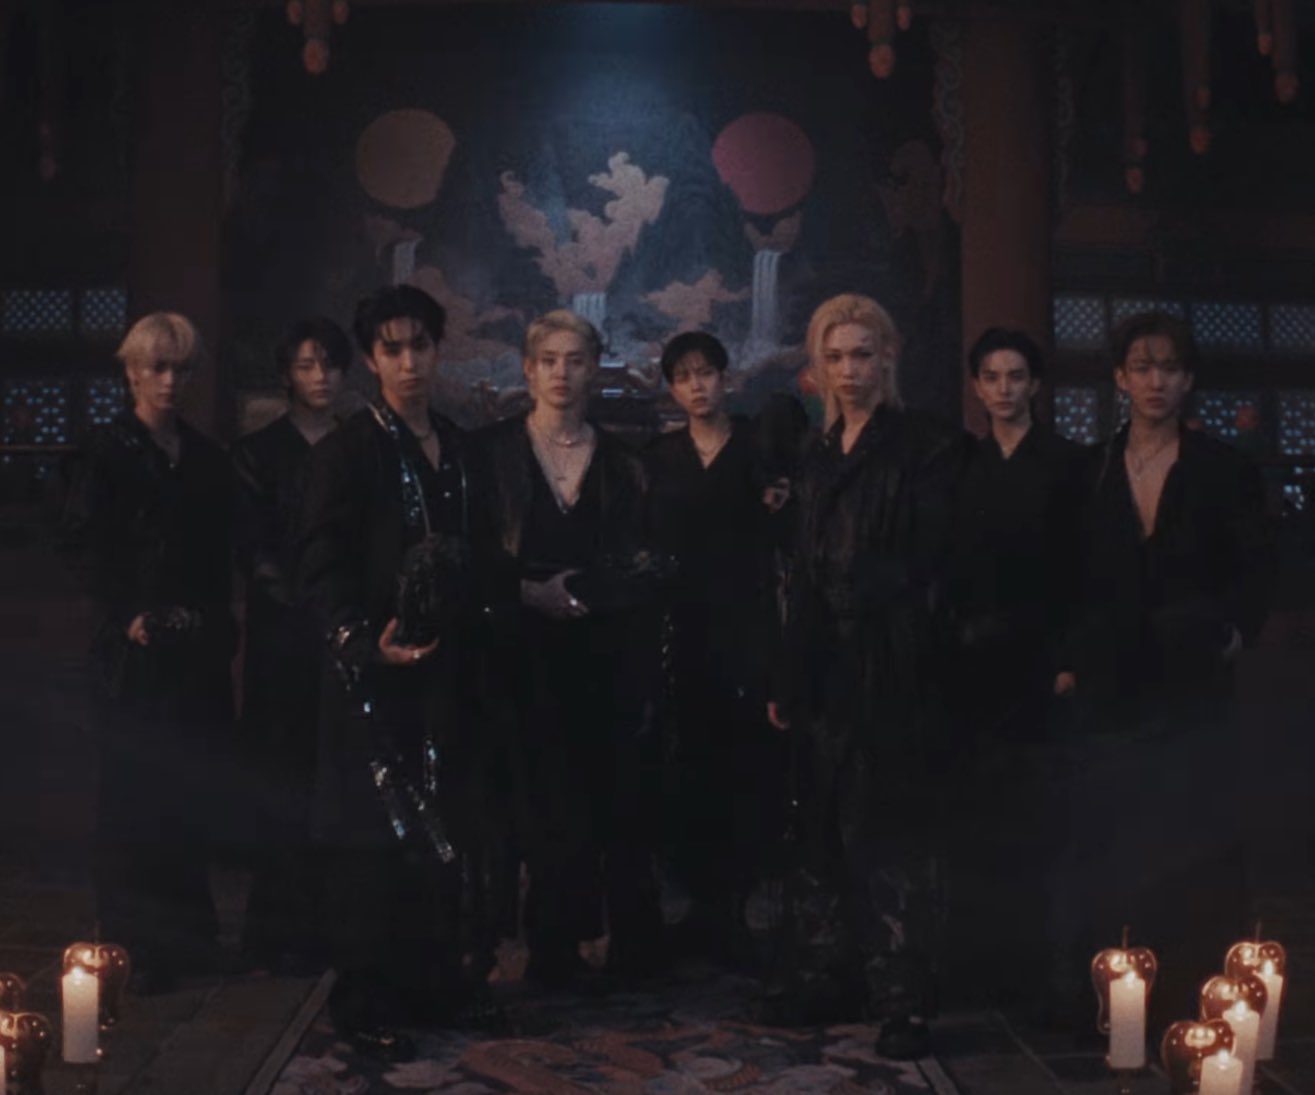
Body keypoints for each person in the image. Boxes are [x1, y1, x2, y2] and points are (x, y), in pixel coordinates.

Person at [297, 286, 505, 1057]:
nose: (409, 361)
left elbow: (484, 552)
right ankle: (364, 997)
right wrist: (363, 640)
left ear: (438, 349)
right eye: (393, 348)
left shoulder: (463, 448)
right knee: (372, 836)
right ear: (372, 359)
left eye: (420, 345)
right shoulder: (346, 451)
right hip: (374, 675)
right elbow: (319, 566)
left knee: (446, 828)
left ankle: (439, 980)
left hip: (449, 672)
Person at [1057, 310, 1272, 1028]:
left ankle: (1197, 990)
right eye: (1143, 367)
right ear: (1120, 377)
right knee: (1115, 833)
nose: (1157, 381)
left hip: (1192, 675)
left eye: (1170, 367)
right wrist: (1071, 660)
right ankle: (1116, 998)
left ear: (1188, 378)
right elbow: (1066, 574)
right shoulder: (1089, 467)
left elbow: (1255, 570)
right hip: (1111, 680)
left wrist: (1231, 633)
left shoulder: (1223, 467)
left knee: (1197, 832)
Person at [765, 293, 963, 1059]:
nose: (848, 370)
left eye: (861, 353)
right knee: (817, 826)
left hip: (893, 657)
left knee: (891, 834)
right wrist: (790, 675)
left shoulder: (926, 445)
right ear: (817, 366)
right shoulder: (815, 453)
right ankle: (828, 976)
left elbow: (934, 562)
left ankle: (902, 999)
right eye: (835, 356)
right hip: (824, 663)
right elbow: (802, 574)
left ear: (887, 357)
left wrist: (876, 604)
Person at [475, 309, 664, 990]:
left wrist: (582, 593)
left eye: (575, 360)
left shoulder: (625, 463)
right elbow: (467, 553)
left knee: (593, 798)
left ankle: (585, 941)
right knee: (524, 801)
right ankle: (517, 945)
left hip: (598, 653)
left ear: (593, 370)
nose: (561, 373)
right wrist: (529, 594)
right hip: (511, 652)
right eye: (548, 360)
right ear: (528, 371)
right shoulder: (487, 454)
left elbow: (647, 563)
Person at [62, 312, 236, 993]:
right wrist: (126, 613)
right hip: (129, 655)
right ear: (132, 371)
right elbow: (82, 544)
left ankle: (187, 941)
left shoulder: (205, 457)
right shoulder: (103, 451)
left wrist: (207, 623)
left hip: (191, 650)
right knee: (131, 798)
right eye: (157, 367)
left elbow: (215, 556)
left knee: (186, 792)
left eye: (180, 369)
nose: (169, 381)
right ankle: (130, 945)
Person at [944, 328, 1089, 1010]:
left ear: (1036, 384)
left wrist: (1068, 659)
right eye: (991, 377)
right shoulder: (961, 463)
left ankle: (1045, 975)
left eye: (1016, 376)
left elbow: (1085, 570)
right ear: (976, 387)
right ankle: (986, 968)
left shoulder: (1069, 463)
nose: (1003, 389)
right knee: (979, 818)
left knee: (1044, 820)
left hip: (1042, 663)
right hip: (972, 665)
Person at [645, 332, 796, 965]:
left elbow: (785, 537)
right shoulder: (658, 457)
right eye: (684, 377)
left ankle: (742, 911)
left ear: (726, 378)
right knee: (689, 768)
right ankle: (701, 911)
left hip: (748, 624)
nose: (697, 386)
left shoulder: (760, 448)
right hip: (681, 629)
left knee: (749, 766)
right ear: (672, 389)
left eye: (706, 372)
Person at [231, 317, 349, 972]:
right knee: (281, 776)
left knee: (339, 778)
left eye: (329, 364)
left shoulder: (360, 443)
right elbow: (254, 550)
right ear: (286, 375)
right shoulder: (258, 453)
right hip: (284, 637)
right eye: (306, 365)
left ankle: (337, 926)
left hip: (348, 637)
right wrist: (310, 602)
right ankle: (274, 932)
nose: (320, 377)